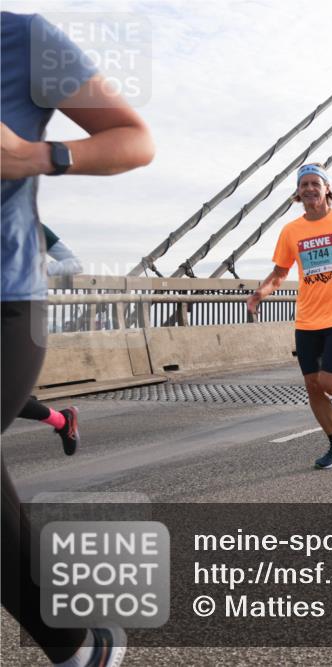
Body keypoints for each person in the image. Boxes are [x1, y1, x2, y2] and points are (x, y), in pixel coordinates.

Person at [2, 11, 155, 666]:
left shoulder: (23, 40)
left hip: (8, 304)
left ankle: (80, 645)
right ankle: (77, 642)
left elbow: (135, 139)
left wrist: (35, 156)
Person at [248, 163, 332, 469]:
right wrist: (259, 293)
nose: (308, 189)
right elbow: (280, 272)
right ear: (298, 192)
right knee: (313, 385)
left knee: (330, 381)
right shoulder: (291, 231)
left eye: (314, 183)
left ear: (326, 188)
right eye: (303, 184)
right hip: (307, 317)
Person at [16, 225, 86, 455]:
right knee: (10, 400)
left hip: (19, 319)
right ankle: (62, 421)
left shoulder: (32, 227)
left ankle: (63, 421)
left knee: (7, 399)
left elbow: (74, 264)